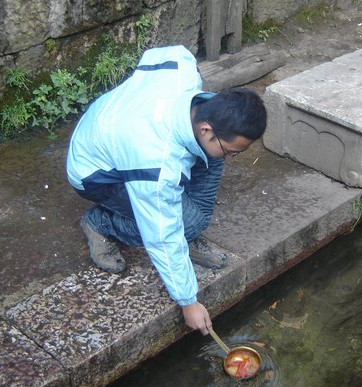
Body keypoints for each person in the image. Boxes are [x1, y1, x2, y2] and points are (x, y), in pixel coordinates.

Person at [66, 45, 267, 336]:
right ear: (207, 130)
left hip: (117, 129)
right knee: (185, 222)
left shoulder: (184, 74)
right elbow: (161, 233)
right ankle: (99, 223)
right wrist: (188, 301)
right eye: (233, 150)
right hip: (96, 172)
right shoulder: (155, 165)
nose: (233, 157)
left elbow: (169, 54)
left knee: (213, 160)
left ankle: (188, 229)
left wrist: (223, 151)